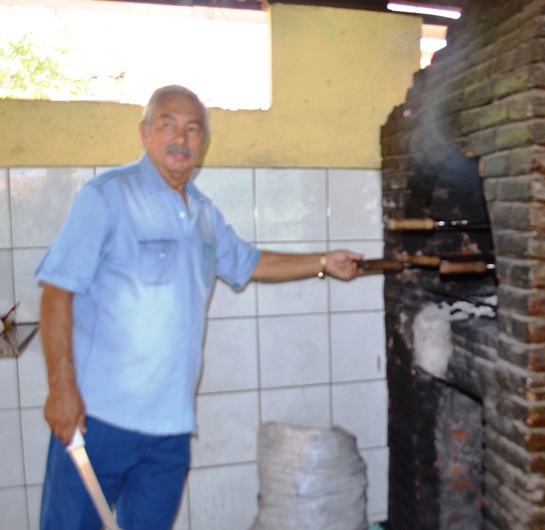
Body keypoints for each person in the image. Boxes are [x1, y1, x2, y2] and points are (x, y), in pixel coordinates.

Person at [35, 85, 363, 530]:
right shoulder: (107, 196)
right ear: (145, 132)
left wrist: (324, 262)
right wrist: (61, 389)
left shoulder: (204, 215)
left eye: (193, 130)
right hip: (98, 419)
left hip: (170, 428)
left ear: (203, 143)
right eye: (167, 124)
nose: (180, 138)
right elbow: (57, 291)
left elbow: (250, 262)